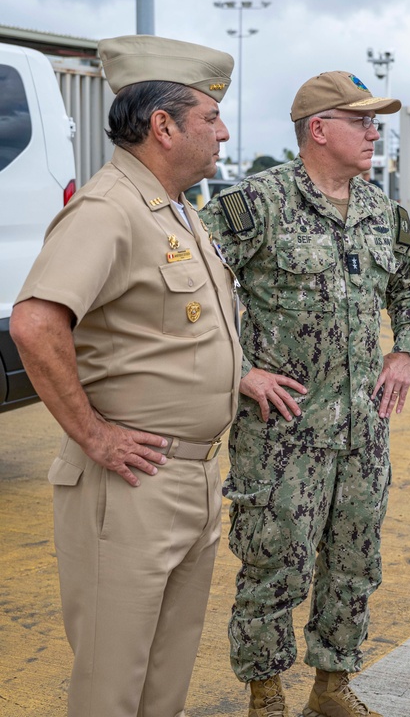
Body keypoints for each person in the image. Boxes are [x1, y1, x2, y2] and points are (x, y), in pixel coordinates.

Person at [10, 35, 241, 717]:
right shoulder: (109, 209)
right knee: (113, 687)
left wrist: (238, 378)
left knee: (163, 683)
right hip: (131, 481)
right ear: (163, 126)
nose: (223, 132)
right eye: (210, 117)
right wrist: (94, 435)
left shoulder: (175, 211)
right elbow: (34, 322)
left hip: (191, 476)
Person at [200, 70, 410, 717]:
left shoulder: (382, 212)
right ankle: (266, 697)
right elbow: (190, 291)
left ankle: (332, 690)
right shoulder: (256, 204)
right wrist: (239, 370)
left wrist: (407, 352)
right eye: (360, 120)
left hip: (363, 428)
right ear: (318, 129)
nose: (373, 131)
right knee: (274, 567)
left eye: (375, 121)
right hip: (284, 433)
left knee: (356, 562)